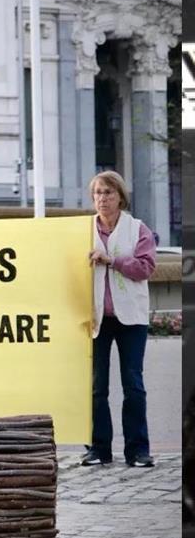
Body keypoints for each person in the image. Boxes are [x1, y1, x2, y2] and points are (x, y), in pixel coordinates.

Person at [81, 170, 156, 468]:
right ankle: (99, 448)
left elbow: (146, 267)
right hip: (96, 317)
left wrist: (113, 261)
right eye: (98, 193)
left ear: (120, 197)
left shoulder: (137, 229)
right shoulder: (84, 229)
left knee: (133, 384)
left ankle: (138, 450)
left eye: (108, 193)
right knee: (97, 386)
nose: (102, 198)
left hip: (131, 317)